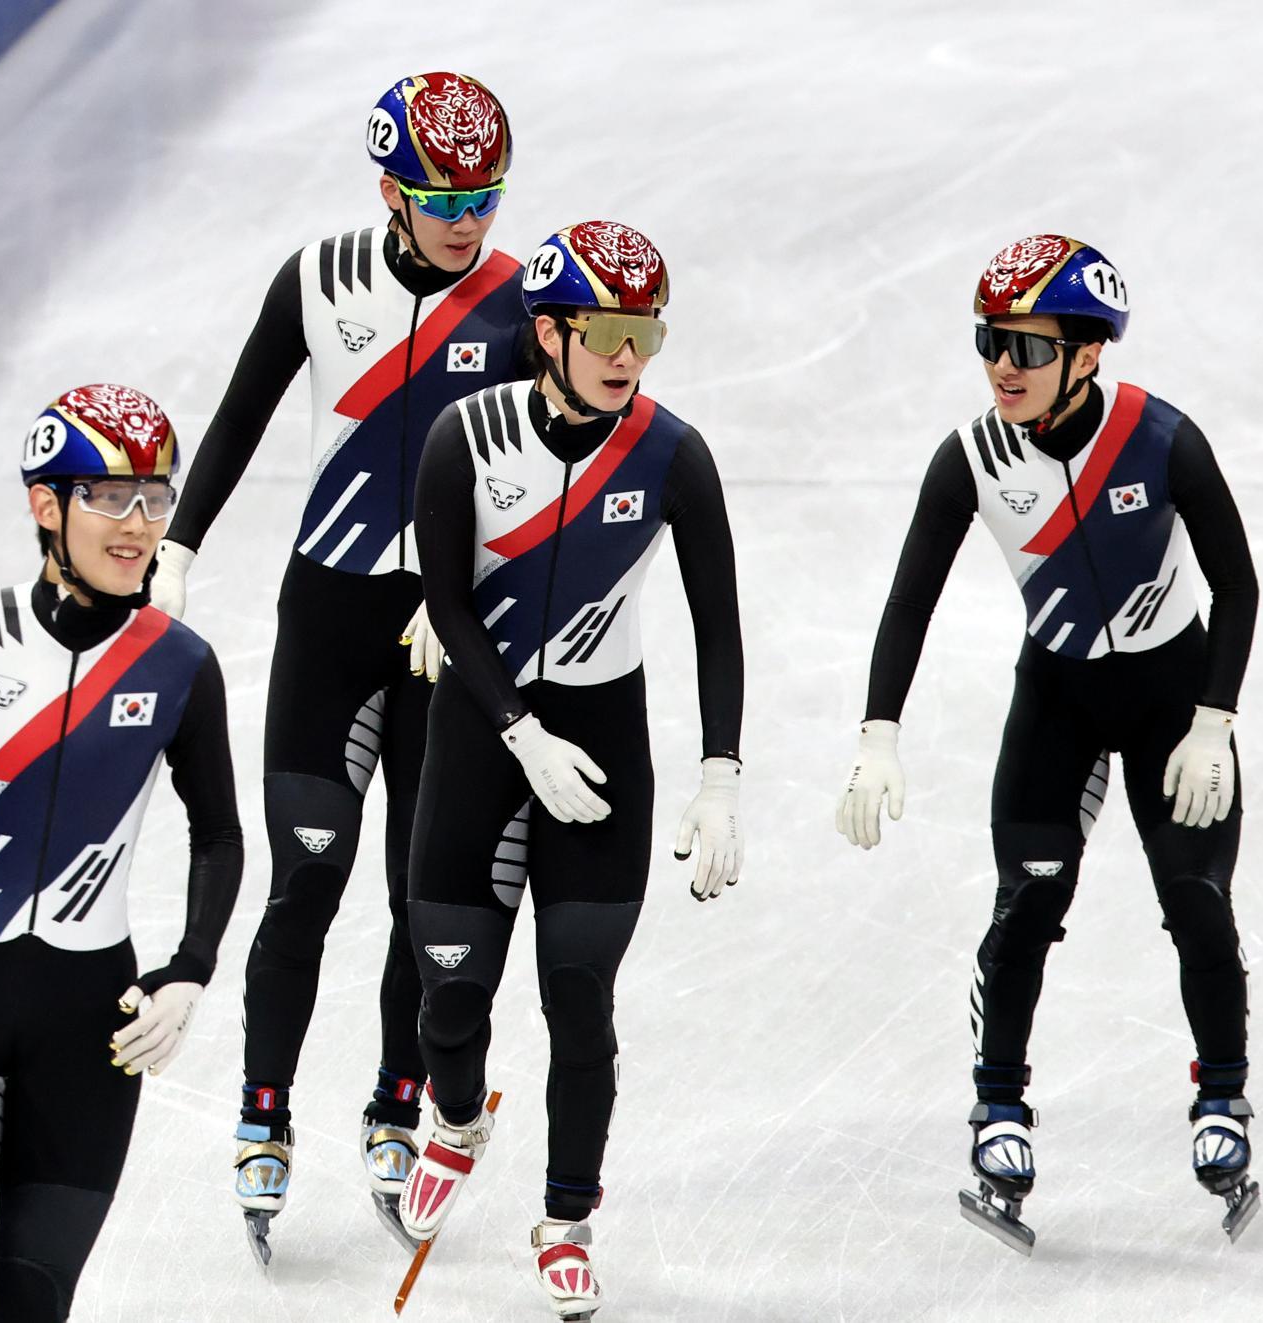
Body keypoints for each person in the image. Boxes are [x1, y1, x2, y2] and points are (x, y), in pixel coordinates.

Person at [144, 71, 527, 1257]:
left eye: (487, 196)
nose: (469, 220)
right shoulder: (317, 282)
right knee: (304, 883)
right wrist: (179, 547)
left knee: (420, 898)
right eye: (444, 197)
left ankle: (394, 1103)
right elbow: (242, 414)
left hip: (444, 635)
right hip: (329, 619)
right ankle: (264, 1118)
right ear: (389, 191)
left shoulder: (521, 303)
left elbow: (532, 482)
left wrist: (471, 599)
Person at [836, 235, 1260, 1250]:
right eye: (989, 342)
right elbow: (908, 604)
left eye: (1024, 347)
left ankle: (1223, 1098)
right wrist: (876, 735)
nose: (1001, 368)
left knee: (1197, 903)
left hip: (1171, 700)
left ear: (1085, 355)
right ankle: (998, 1109)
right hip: (1058, 704)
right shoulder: (971, 458)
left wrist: (1213, 718)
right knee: (1027, 904)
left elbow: (1237, 585)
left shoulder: (1161, 440)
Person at [399, 220, 745, 1318]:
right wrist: (515, 729)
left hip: (603, 749)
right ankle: (455, 1118)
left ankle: (566, 1215)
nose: (628, 354)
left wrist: (721, 776)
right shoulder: (466, 434)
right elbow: (447, 601)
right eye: (607, 329)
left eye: (646, 331)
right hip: (479, 740)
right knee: (448, 993)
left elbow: (719, 626)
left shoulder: (672, 454)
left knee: (578, 1001)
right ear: (548, 332)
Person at [0, 384, 243, 1321]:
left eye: (157, 496)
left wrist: (190, 967)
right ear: (45, 505)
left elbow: (218, 831)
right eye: (111, 496)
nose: (139, 524)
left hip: (85, 1037)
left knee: (31, 1307)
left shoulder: (181, 663)